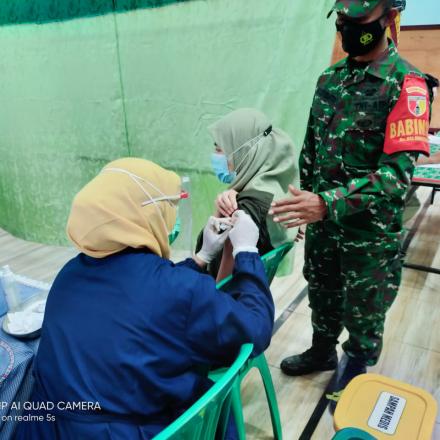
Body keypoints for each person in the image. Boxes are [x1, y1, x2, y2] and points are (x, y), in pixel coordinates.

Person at [15, 158, 274, 440]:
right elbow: (256, 328)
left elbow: (143, 297)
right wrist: (246, 251)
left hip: (45, 428)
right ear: (150, 214)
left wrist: (201, 258)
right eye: (169, 207)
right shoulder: (179, 290)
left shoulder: (70, 273)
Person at [269, 0, 432, 398]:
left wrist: (327, 202)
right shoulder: (330, 79)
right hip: (324, 223)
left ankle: (356, 367)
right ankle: (322, 350)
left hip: (368, 232)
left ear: (388, 19)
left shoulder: (406, 84)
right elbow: (313, 147)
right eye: (341, 22)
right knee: (322, 291)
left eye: (358, 23)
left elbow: (395, 177)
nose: (347, 31)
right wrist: (308, 201)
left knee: (365, 306)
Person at [197, 108, 298, 281]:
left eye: (220, 148)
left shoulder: (244, 209)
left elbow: (224, 287)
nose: (215, 156)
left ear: (245, 150)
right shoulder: (273, 191)